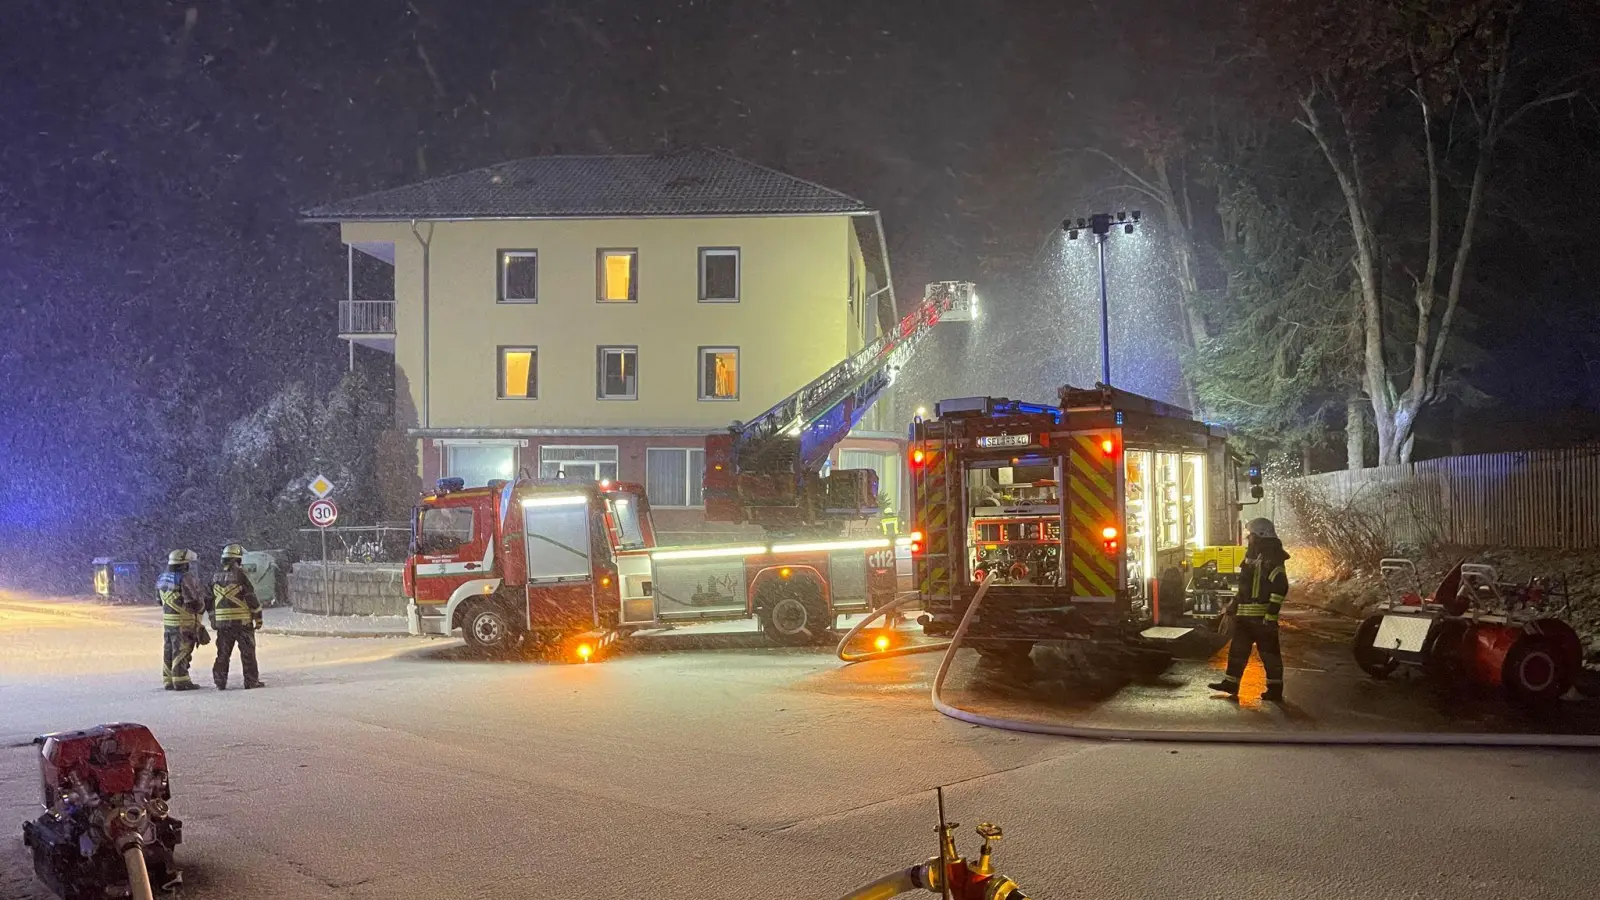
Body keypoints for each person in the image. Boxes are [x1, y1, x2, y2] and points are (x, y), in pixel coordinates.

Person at [1209, 517, 1291, 702]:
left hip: (1262, 619)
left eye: (1251, 535)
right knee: (1237, 651)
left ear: (1260, 535)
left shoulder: (1271, 557)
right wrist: (1233, 606)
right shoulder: (1253, 556)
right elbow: (1245, 586)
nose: (1248, 539)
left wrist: (1270, 615)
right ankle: (1231, 683)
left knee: (1269, 655)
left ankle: (1274, 690)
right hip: (1245, 617)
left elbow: (1280, 586)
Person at [210, 543, 264, 690]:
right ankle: (251, 681)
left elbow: (209, 599)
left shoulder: (215, 575)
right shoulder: (241, 574)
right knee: (247, 654)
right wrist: (258, 617)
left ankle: (220, 681)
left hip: (223, 625)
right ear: (238, 559)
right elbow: (250, 596)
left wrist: (213, 619)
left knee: (223, 654)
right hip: (242, 623)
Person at [158, 549, 208, 691]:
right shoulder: (185, 578)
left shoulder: (162, 578)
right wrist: (200, 607)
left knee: (169, 650)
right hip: (184, 622)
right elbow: (193, 600)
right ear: (184, 564)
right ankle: (181, 680)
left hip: (169, 622)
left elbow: (158, 600)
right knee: (182, 650)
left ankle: (168, 680)